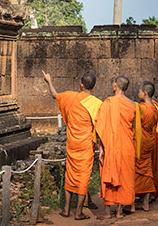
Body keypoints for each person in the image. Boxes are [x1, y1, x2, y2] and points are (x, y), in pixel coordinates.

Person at [42, 71, 102, 220]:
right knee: (83, 177)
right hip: (86, 144)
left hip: (72, 142)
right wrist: (102, 147)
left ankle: (67, 209)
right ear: (93, 87)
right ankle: (79, 212)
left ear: (81, 84)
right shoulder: (96, 104)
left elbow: (54, 95)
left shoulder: (70, 96)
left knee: (70, 174)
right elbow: (101, 127)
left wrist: (49, 81)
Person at [95, 76, 139, 219]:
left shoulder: (108, 103)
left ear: (115, 85)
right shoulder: (133, 105)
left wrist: (101, 148)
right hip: (127, 146)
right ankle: (119, 211)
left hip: (111, 146)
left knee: (109, 174)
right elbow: (133, 128)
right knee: (125, 177)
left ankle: (108, 212)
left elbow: (101, 127)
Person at [130, 81, 158, 212]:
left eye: (139, 91)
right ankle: (145, 202)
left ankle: (131, 202)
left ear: (145, 93)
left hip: (141, 141)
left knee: (137, 170)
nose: (138, 93)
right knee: (147, 170)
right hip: (150, 140)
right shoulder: (154, 108)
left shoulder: (143, 109)